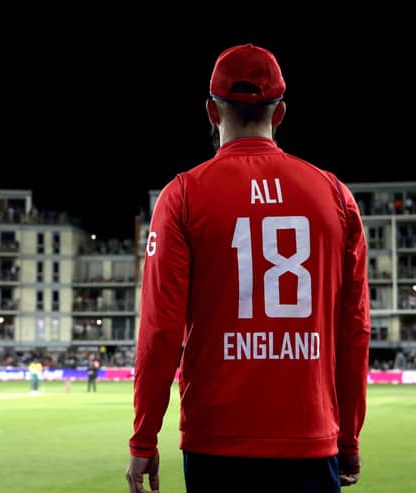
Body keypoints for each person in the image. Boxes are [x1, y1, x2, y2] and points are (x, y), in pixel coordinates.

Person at [125, 43, 371, 493]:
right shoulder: (335, 196)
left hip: (216, 443)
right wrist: (349, 436)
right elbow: (354, 329)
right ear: (279, 115)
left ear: (211, 112)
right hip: (310, 440)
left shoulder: (181, 197)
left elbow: (160, 332)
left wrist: (144, 439)